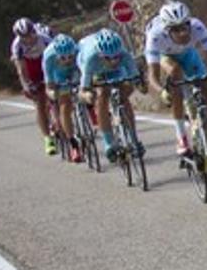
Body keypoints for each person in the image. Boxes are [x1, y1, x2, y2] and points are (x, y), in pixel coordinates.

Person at [142, 0, 207, 161]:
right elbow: (152, 76)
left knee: (205, 87)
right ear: (166, 29)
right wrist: (162, 91)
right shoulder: (155, 36)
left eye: (185, 27)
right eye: (176, 30)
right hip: (166, 56)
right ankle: (181, 136)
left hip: (188, 54)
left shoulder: (197, 26)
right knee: (175, 75)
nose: (183, 33)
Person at [77, 28, 142, 161]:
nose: (113, 61)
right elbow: (84, 89)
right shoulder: (91, 58)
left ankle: (133, 138)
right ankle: (109, 143)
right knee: (102, 95)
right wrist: (88, 94)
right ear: (101, 55)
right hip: (96, 70)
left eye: (116, 57)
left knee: (124, 94)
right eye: (108, 58)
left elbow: (135, 78)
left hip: (117, 71)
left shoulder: (124, 55)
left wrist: (136, 85)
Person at [10, 17, 55, 155]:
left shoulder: (44, 38)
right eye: (24, 37)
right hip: (31, 68)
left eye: (30, 34)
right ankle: (48, 139)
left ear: (34, 31)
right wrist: (26, 86)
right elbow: (21, 69)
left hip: (45, 62)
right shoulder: (17, 45)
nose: (28, 39)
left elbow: (56, 57)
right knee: (40, 104)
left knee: (56, 95)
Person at [43, 33, 83, 162]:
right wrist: (53, 92)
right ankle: (73, 144)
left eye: (70, 56)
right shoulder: (49, 57)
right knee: (64, 104)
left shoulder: (78, 51)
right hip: (57, 75)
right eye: (63, 58)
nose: (67, 60)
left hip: (75, 71)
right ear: (57, 55)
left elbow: (85, 70)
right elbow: (49, 85)